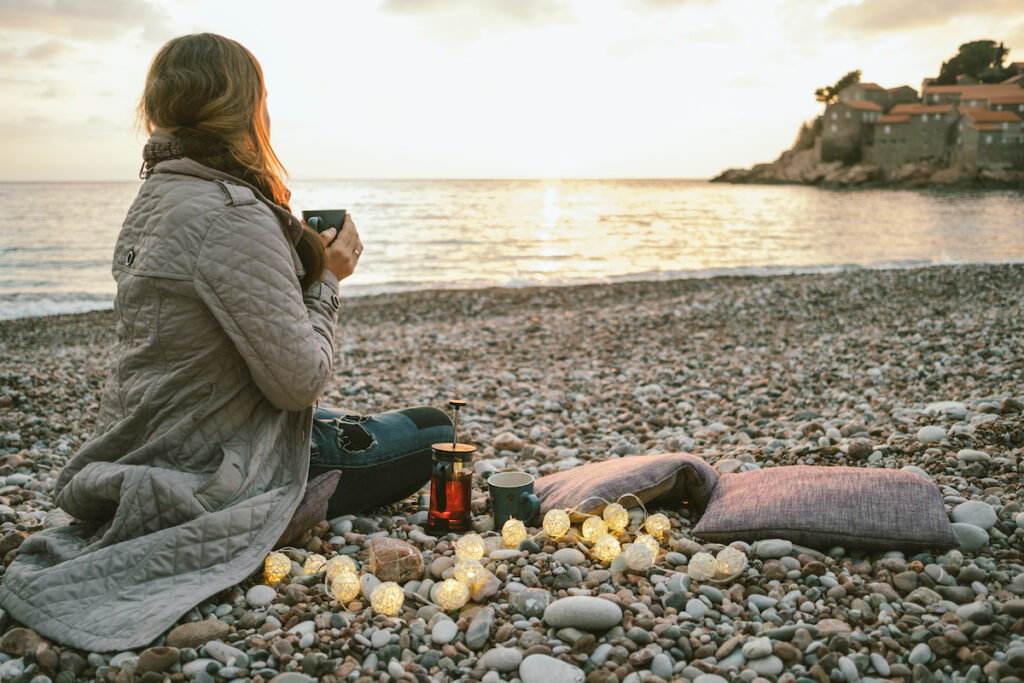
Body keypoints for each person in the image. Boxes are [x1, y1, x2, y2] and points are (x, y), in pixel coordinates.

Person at [0, 33, 450, 651]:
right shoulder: (234, 215)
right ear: (247, 108)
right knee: (436, 430)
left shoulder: (156, 197)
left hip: (155, 437)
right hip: (224, 470)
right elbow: (297, 383)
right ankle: (296, 506)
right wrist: (326, 280)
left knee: (375, 424)